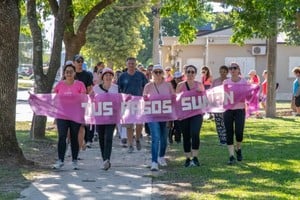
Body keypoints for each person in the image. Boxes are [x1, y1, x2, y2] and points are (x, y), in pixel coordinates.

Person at [52, 61, 86, 170]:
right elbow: (53, 98)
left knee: (74, 137)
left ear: (74, 73)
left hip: (75, 115)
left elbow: (84, 99)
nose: (69, 73)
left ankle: (74, 160)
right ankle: (60, 160)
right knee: (62, 137)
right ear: (64, 74)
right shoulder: (59, 84)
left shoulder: (80, 85)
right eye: (67, 72)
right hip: (62, 115)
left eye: (71, 71)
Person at [143, 64, 175, 171]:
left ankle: (161, 156)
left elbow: (174, 99)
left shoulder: (168, 85)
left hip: (165, 115)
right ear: (152, 73)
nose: (157, 74)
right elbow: (143, 100)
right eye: (155, 72)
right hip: (152, 116)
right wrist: (145, 99)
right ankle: (154, 162)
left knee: (164, 138)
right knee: (155, 138)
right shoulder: (148, 86)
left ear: (163, 74)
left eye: (159, 72)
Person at [176, 65, 205, 167]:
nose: (190, 74)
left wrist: (200, 93)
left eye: (192, 72)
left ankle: (195, 157)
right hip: (184, 115)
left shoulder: (199, 85)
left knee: (195, 133)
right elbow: (176, 101)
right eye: (188, 72)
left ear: (195, 74)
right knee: (186, 136)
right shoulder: (180, 85)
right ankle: (188, 158)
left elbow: (205, 99)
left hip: (196, 114)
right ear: (185, 73)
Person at [117, 57, 148, 153]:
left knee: (139, 124)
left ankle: (137, 139)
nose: (131, 65)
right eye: (129, 63)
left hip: (139, 102)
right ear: (126, 64)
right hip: (127, 104)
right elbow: (119, 90)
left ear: (135, 64)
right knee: (129, 125)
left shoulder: (140, 75)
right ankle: (130, 145)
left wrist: (145, 97)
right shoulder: (122, 76)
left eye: (133, 63)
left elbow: (146, 87)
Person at [92, 68, 118, 170]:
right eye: (106, 75)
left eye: (110, 75)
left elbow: (120, 100)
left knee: (108, 137)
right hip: (100, 117)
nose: (108, 77)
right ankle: (104, 159)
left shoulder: (116, 88)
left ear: (112, 77)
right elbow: (89, 99)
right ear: (102, 77)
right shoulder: (96, 89)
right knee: (102, 138)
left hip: (112, 117)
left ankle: (107, 159)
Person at [223, 62, 248, 165]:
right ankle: (231, 156)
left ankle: (238, 148)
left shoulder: (244, 81)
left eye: (234, 68)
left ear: (238, 70)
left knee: (239, 132)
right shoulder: (226, 82)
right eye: (231, 68)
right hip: (228, 110)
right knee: (229, 132)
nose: (232, 70)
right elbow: (224, 95)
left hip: (240, 109)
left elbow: (247, 94)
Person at [73, 54, 94, 150]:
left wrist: (87, 98)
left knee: (82, 124)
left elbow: (90, 88)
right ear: (74, 62)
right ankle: (74, 142)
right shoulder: (70, 74)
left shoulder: (87, 74)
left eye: (81, 61)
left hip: (83, 102)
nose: (80, 63)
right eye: (78, 61)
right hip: (71, 104)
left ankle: (83, 142)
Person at [211, 65, 228, 145]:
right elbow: (211, 91)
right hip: (217, 105)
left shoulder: (229, 81)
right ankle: (222, 140)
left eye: (224, 72)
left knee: (227, 122)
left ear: (227, 72)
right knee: (219, 123)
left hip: (227, 105)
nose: (222, 73)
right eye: (221, 71)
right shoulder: (215, 81)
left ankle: (228, 139)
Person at [168, 71, 184, 144]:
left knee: (178, 123)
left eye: (180, 78)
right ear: (174, 79)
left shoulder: (184, 85)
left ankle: (178, 138)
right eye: (177, 78)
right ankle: (170, 135)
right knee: (171, 123)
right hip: (172, 106)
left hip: (180, 107)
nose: (179, 80)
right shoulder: (170, 86)